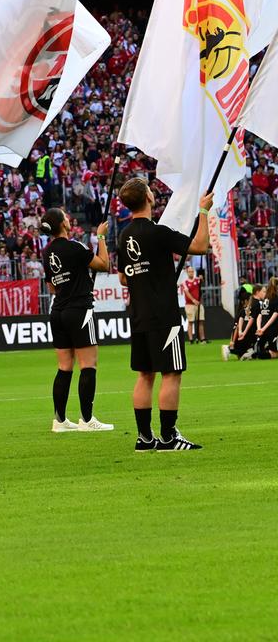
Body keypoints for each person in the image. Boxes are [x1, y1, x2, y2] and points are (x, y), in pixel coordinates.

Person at [116, 178, 210, 451]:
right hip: (164, 315)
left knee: (145, 375)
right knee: (171, 373)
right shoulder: (159, 232)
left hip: (139, 315)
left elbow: (124, 278)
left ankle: (145, 438)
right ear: (147, 197)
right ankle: (169, 437)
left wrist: (152, 272)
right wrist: (203, 211)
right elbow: (200, 246)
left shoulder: (124, 236)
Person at [41, 208, 113, 433]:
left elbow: (52, 286)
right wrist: (101, 237)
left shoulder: (47, 253)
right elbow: (104, 265)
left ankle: (60, 421)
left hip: (58, 311)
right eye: (65, 216)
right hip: (80, 310)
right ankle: (87, 419)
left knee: (64, 368)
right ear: (62, 224)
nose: (69, 218)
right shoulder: (75, 247)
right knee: (88, 365)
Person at [223, 287, 258, 361]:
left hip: (243, 336)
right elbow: (236, 327)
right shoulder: (242, 312)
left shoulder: (246, 310)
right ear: (246, 301)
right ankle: (229, 349)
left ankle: (235, 351)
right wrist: (232, 341)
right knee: (244, 350)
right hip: (241, 336)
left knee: (243, 353)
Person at [253, 279, 278, 359]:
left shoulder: (265, 299)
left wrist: (260, 328)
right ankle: (258, 355)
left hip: (263, 330)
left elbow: (260, 315)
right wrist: (263, 329)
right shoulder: (276, 299)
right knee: (275, 354)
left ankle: (259, 352)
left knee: (271, 351)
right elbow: (274, 316)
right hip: (272, 330)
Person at [181, 264, 204, 343]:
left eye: (192, 271)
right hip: (189, 304)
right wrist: (193, 300)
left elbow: (201, 284)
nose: (191, 273)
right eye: (189, 271)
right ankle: (191, 339)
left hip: (199, 304)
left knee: (201, 321)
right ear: (187, 273)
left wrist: (202, 279)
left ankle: (202, 338)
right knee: (190, 321)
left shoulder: (197, 280)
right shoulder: (185, 282)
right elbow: (187, 292)